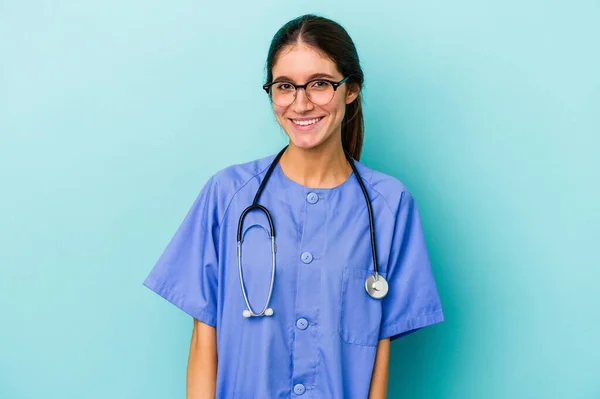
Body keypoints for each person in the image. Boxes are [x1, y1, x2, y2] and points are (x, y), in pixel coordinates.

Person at [143, 14, 444, 399]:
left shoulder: (390, 206)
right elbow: (204, 340)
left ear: (350, 89)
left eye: (319, 84)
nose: (300, 104)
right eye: (285, 86)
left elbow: (379, 355)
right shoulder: (228, 195)